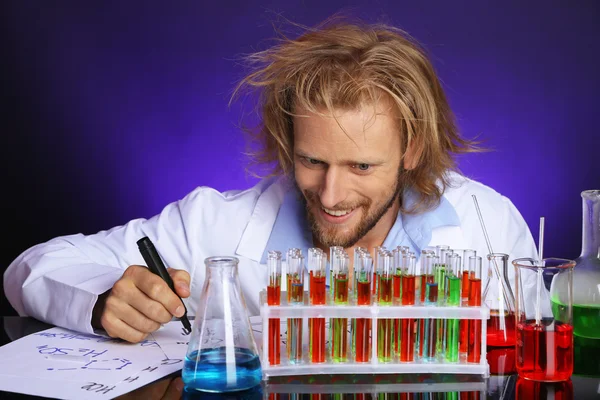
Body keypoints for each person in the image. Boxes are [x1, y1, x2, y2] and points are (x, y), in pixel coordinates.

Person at [3, 16, 538, 343]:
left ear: (412, 150)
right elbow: (29, 268)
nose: (331, 196)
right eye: (312, 161)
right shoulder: (218, 223)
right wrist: (102, 300)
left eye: (362, 167)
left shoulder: (487, 227)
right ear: (287, 143)